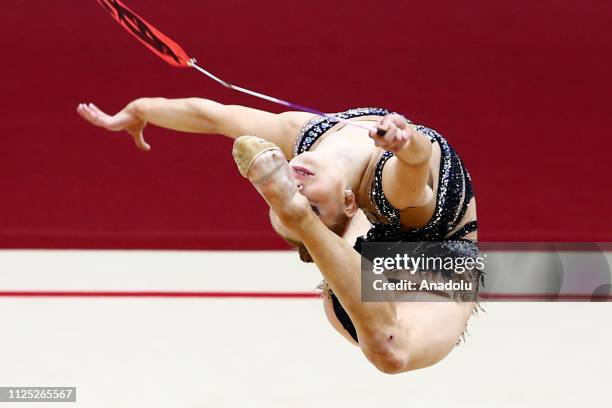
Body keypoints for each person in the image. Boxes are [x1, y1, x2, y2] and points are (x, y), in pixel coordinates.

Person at [77, 98, 481, 374]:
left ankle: (310, 231)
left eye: (292, 202)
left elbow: (215, 116)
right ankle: (310, 231)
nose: (298, 187)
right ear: (347, 203)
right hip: (442, 259)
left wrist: (142, 109)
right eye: (308, 206)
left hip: (372, 259)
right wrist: (407, 144)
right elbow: (415, 169)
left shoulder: (302, 133)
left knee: (386, 349)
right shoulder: (389, 188)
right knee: (393, 352)